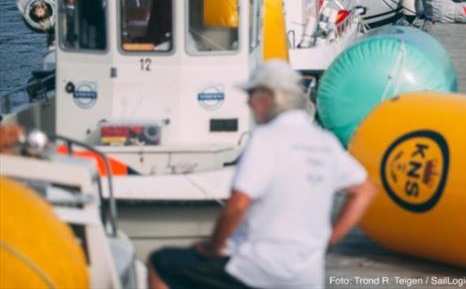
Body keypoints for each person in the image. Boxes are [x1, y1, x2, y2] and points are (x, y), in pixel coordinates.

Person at [148, 60, 376, 289]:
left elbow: (238, 205)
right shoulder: (325, 142)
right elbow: (365, 190)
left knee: (161, 263)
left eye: (251, 94)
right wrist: (328, 242)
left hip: (256, 270)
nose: (248, 102)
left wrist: (212, 248)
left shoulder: (266, 138)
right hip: (307, 276)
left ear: (268, 96)